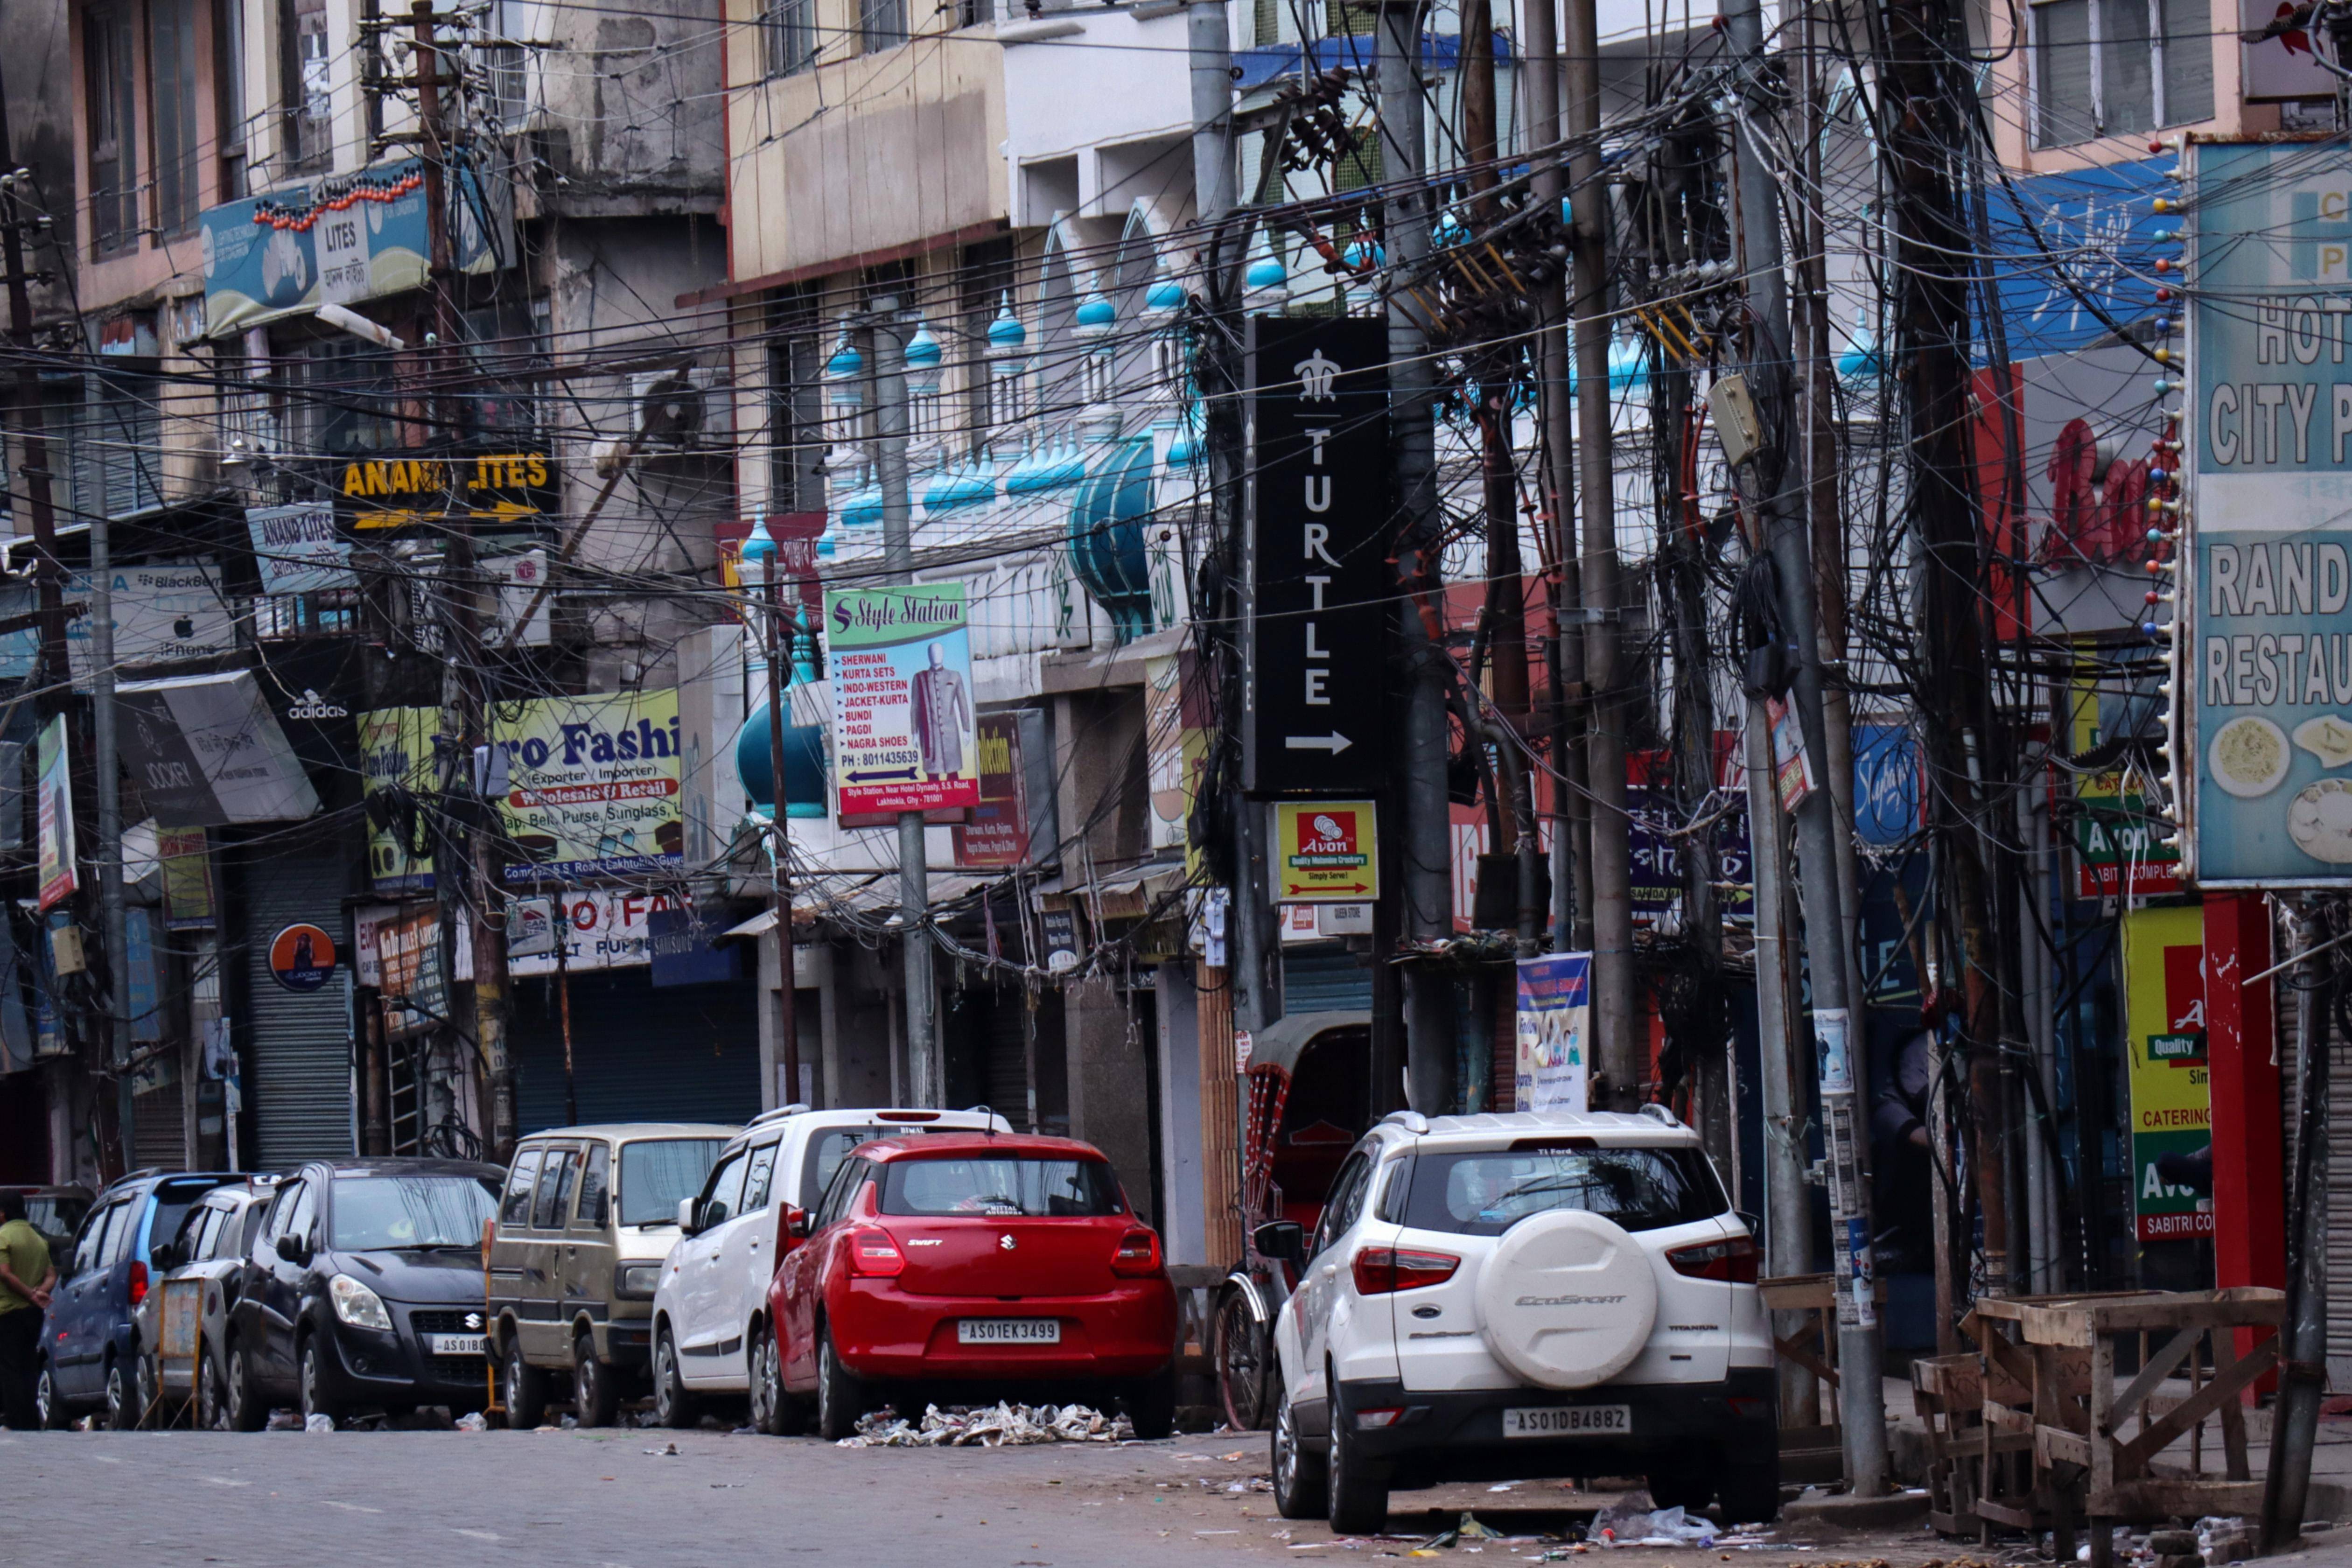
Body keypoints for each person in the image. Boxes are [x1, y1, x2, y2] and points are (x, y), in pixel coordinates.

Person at [0, 1189, 56, 1429]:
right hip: (33, 1314)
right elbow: (51, 1275)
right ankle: (31, 1419)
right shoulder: (38, 1238)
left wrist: (29, 1293)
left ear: (2, 1213)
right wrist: (40, 1293)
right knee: (28, 1365)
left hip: (8, 1311)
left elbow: (4, 1273)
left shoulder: (3, 1236)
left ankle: (14, 1419)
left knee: (10, 1366)